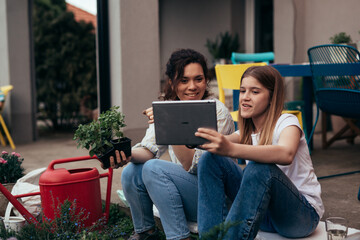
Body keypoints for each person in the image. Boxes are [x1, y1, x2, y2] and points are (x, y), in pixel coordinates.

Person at [112, 48, 235, 240]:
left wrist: (171, 123)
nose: (192, 86)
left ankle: (179, 237)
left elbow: (192, 165)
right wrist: (125, 155)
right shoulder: (167, 108)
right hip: (184, 193)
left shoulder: (216, 112)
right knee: (132, 171)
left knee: (153, 169)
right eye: (184, 80)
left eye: (199, 79)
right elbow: (149, 149)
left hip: (212, 200)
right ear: (172, 82)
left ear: (206, 80)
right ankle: (146, 233)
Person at [195, 65, 324, 239]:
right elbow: (212, 142)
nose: (245, 98)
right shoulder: (245, 133)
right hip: (263, 212)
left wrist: (232, 149)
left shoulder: (287, 122)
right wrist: (168, 122)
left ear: (272, 97)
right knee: (210, 159)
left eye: (255, 92)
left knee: (259, 169)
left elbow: (286, 153)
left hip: (300, 217)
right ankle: (210, 236)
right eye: (242, 91)